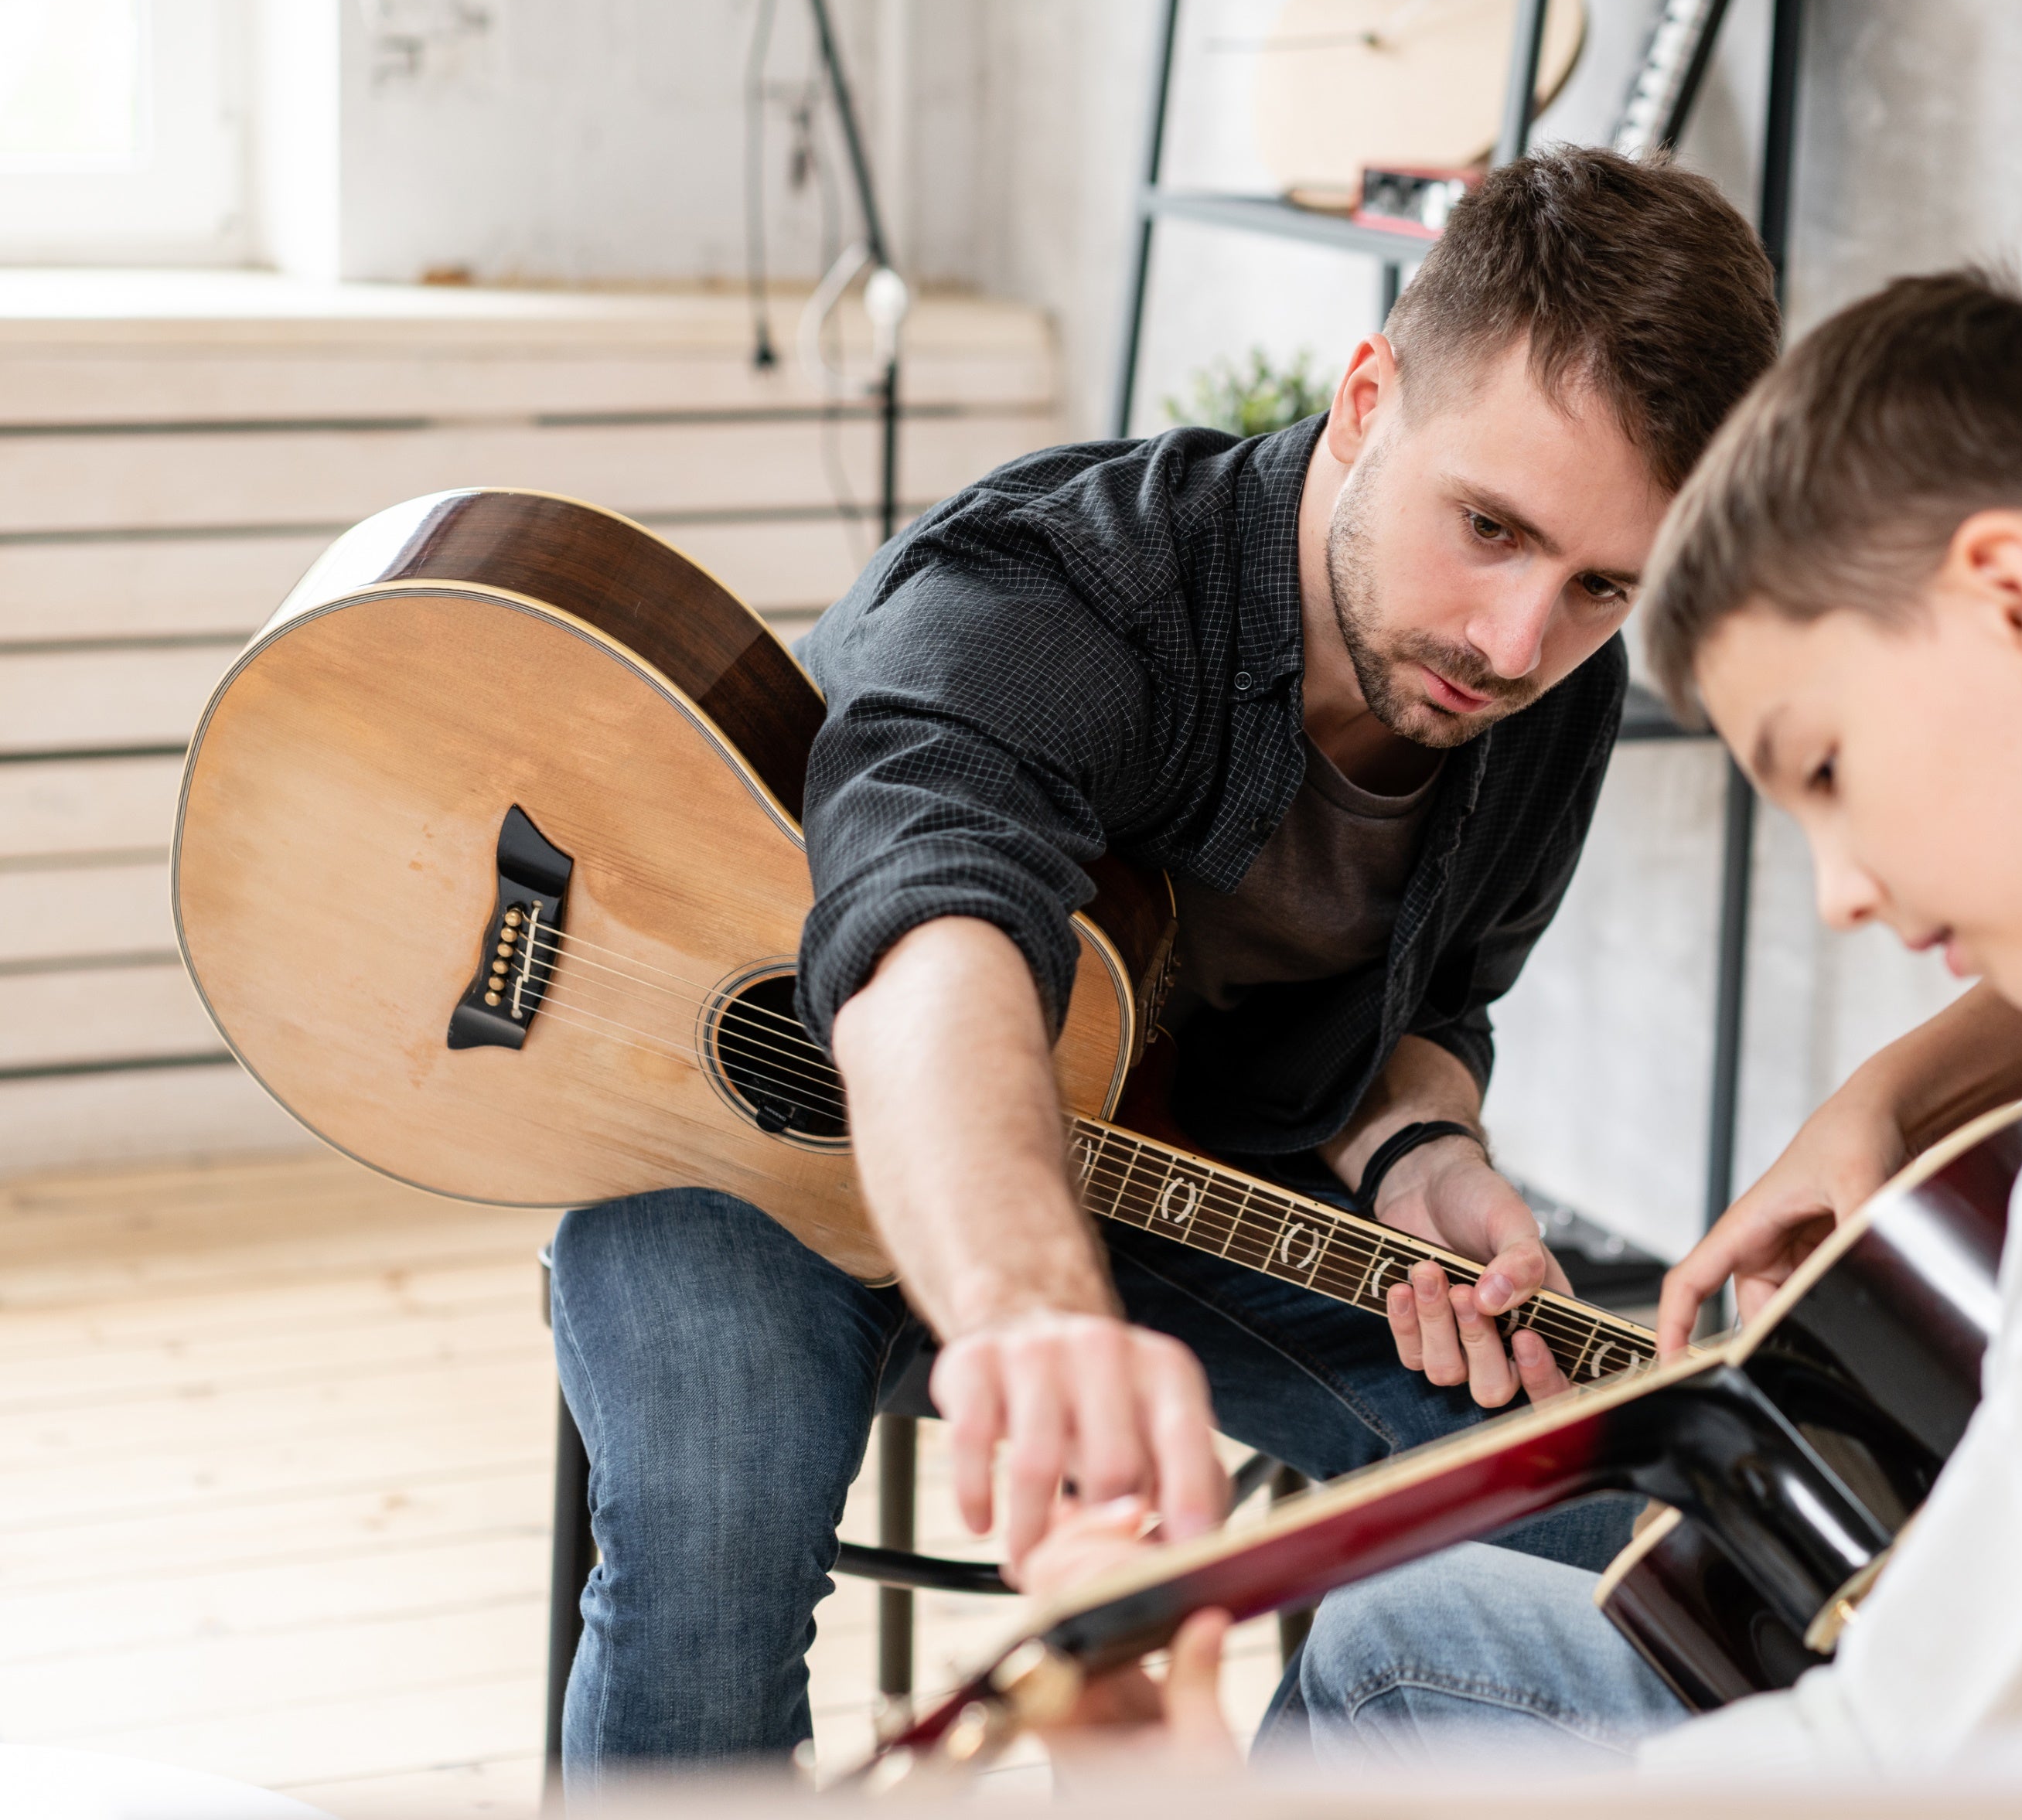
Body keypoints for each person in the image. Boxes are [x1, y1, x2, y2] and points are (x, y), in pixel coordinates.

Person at [1033, 265, 2022, 1770]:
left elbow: (1873, 1773)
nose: (1841, 893)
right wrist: (1892, 1101)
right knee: (1422, 1618)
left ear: (2015, 603)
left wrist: (1169, 1782)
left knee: (1394, 1661)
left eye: (1827, 769)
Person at [542, 146, 1804, 1784]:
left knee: (1608, 1514)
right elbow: (930, 944)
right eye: (1488, 527)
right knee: (709, 1541)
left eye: (1598, 585)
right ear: (1367, 400)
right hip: (746, 1150)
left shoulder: (1548, 700)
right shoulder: (1062, 583)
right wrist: (1024, 1308)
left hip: (1170, 1186)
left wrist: (1419, 1146)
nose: (1515, 643)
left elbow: (1436, 1007)